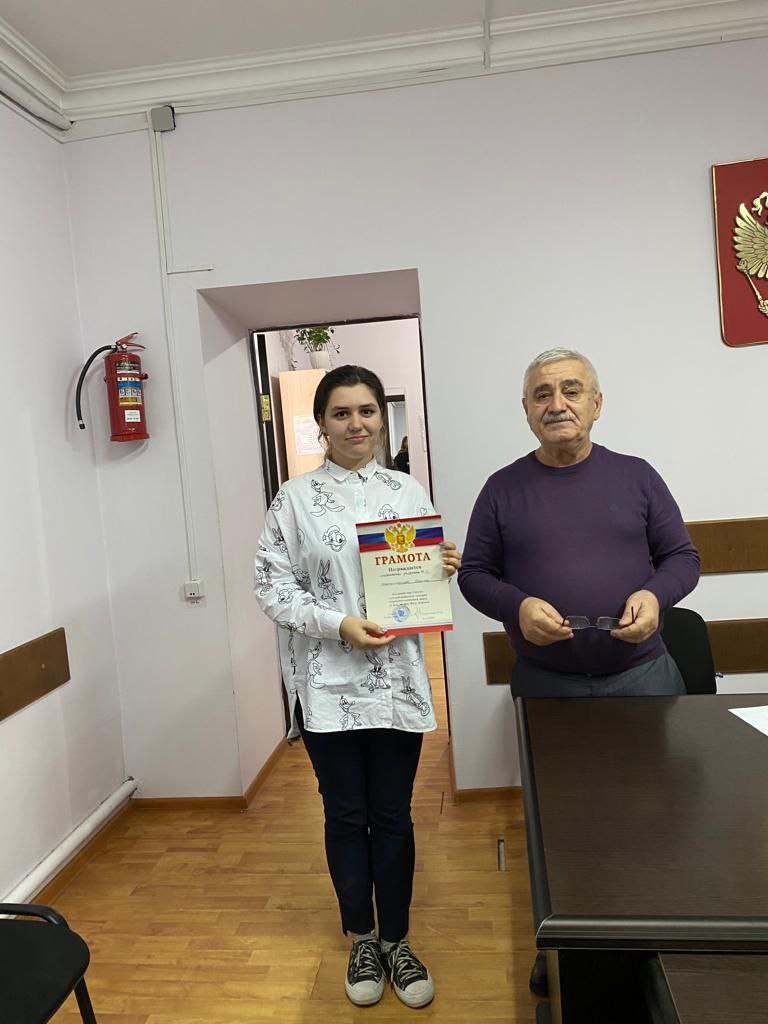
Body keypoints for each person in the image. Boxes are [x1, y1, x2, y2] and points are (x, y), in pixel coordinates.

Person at [457, 347, 700, 998]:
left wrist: (655, 597)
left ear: (596, 403)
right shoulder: (502, 489)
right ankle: (564, 946)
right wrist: (516, 605)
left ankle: (651, 938)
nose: (557, 403)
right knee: (561, 833)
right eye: (542, 394)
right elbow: (474, 575)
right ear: (526, 410)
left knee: (653, 813)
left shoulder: (637, 476)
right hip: (548, 688)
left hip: (642, 681)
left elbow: (682, 558)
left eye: (571, 390)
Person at [254, 365, 461, 1009]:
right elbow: (271, 588)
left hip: (396, 683)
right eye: (341, 413)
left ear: (381, 417)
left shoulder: (406, 491)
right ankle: (362, 937)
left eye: (367, 411)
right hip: (327, 685)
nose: (356, 424)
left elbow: (417, 585)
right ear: (321, 423)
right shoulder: (293, 500)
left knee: (392, 815)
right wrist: (337, 623)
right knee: (346, 815)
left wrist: (441, 567)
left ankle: (397, 939)